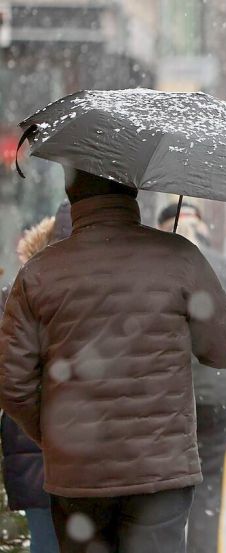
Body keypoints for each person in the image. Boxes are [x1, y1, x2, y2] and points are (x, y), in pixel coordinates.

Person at [0, 169, 226, 553]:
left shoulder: (38, 274)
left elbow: (12, 385)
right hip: (160, 473)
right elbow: (223, 352)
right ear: (132, 190)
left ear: (72, 192)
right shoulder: (178, 257)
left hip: (77, 477)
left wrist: (56, 436)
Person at [157, 202, 226, 553]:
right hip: (217, 400)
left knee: (163, 488)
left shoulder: (156, 272)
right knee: (207, 490)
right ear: (203, 227)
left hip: (166, 400)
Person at [0, 202, 71, 553]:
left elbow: (11, 381)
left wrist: (38, 429)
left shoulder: (19, 292)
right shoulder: (114, 296)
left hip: (37, 458)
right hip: (100, 464)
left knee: (45, 543)